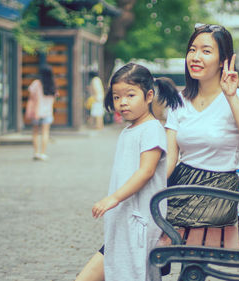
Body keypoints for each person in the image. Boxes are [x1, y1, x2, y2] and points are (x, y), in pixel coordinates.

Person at [75, 63, 183, 281]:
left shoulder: (151, 129)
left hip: (139, 220)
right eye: (116, 97)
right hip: (125, 218)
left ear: (149, 95)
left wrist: (113, 198)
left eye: (130, 95)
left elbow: (146, 171)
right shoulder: (130, 130)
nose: (122, 102)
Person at [164, 24, 239, 228]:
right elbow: (169, 158)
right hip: (182, 182)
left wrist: (231, 96)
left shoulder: (238, 98)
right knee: (138, 213)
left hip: (218, 191)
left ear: (223, 61)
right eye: (192, 50)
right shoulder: (179, 100)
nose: (195, 57)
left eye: (206, 51)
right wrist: (145, 187)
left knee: (146, 220)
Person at [24, 64, 58, 161]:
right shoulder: (53, 84)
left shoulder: (36, 83)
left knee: (35, 132)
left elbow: (31, 97)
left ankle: (36, 153)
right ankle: (43, 153)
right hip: (47, 112)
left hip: (36, 112)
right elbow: (54, 98)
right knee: (45, 133)